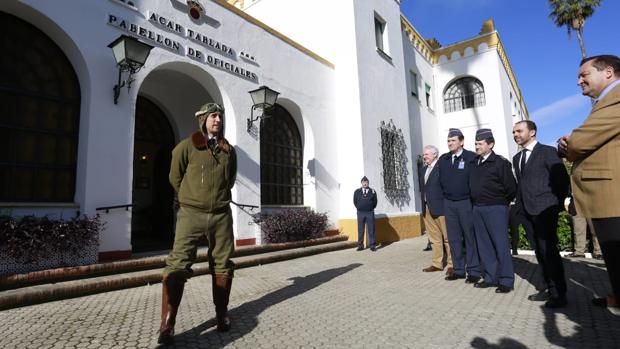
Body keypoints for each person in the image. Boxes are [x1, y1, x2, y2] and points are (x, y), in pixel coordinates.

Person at [158, 103, 237, 344]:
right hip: (191, 214)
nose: (218, 119)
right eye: (213, 116)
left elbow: (230, 179)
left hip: (221, 215)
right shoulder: (186, 147)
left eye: (220, 116)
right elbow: (174, 176)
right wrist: (190, 198)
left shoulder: (228, 151)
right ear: (202, 119)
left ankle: (221, 315)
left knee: (223, 264)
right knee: (178, 263)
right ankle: (167, 324)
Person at [558, 54, 620, 308]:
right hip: (604, 194)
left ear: (608, 72)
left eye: (584, 74)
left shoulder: (615, 99)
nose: (579, 81)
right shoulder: (603, 101)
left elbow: (581, 141)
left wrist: (570, 144)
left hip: (612, 194)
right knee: (613, 257)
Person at [512, 120, 569, 308]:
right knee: (539, 251)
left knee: (549, 252)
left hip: (545, 210)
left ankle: (559, 294)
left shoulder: (547, 151)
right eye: (514, 132)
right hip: (527, 212)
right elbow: (522, 184)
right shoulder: (517, 158)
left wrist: (556, 204)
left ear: (533, 132)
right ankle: (547, 288)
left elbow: (561, 179)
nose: (516, 135)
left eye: (519, 131)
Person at [469, 129, 517, 293]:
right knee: (484, 245)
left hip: (496, 208)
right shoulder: (475, 163)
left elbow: (511, 187)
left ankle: (506, 280)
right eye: (476, 143)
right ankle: (490, 277)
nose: (477, 146)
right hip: (478, 208)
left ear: (491, 144)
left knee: (500, 244)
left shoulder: (500, 163)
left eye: (480, 144)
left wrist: (501, 202)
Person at [438, 128, 481, 283]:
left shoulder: (471, 157)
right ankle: (458, 270)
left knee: (470, 237)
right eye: (448, 141)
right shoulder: (443, 159)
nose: (450, 143)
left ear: (461, 141)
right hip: (449, 204)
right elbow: (439, 182)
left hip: (466, 203)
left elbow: (476, 180)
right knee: (454, 238)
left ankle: (474, 271)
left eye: (453, 140)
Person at [419, 145, 453, 274]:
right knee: (434, 238)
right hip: (427, 208)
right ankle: (437, 263)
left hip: (441, 208)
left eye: (427, 154)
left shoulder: (442, 167)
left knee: (448, 238)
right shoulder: (423, 170)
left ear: (435, 154)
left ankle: (452, 264)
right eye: (424, 155)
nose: (424, 157)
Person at [566, 194, 601, 259]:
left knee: (595, 230)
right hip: (576, 202)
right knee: (578, 230)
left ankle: (598, 252)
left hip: (593, 201)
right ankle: (579, 252)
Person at [354, 176, 378, 251]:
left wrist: (370, 208)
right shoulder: (357, 191)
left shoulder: (373, 191)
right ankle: (360, 246)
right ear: (361, 183)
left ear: (368, 183)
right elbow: (355, 201)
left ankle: (372, 246)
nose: (365, 183)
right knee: (360, 230)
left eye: (366, 182)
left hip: (369, 212)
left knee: (371, 229)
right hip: (360, 213)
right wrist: (359, 207)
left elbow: (375, 202)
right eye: (363, 182)